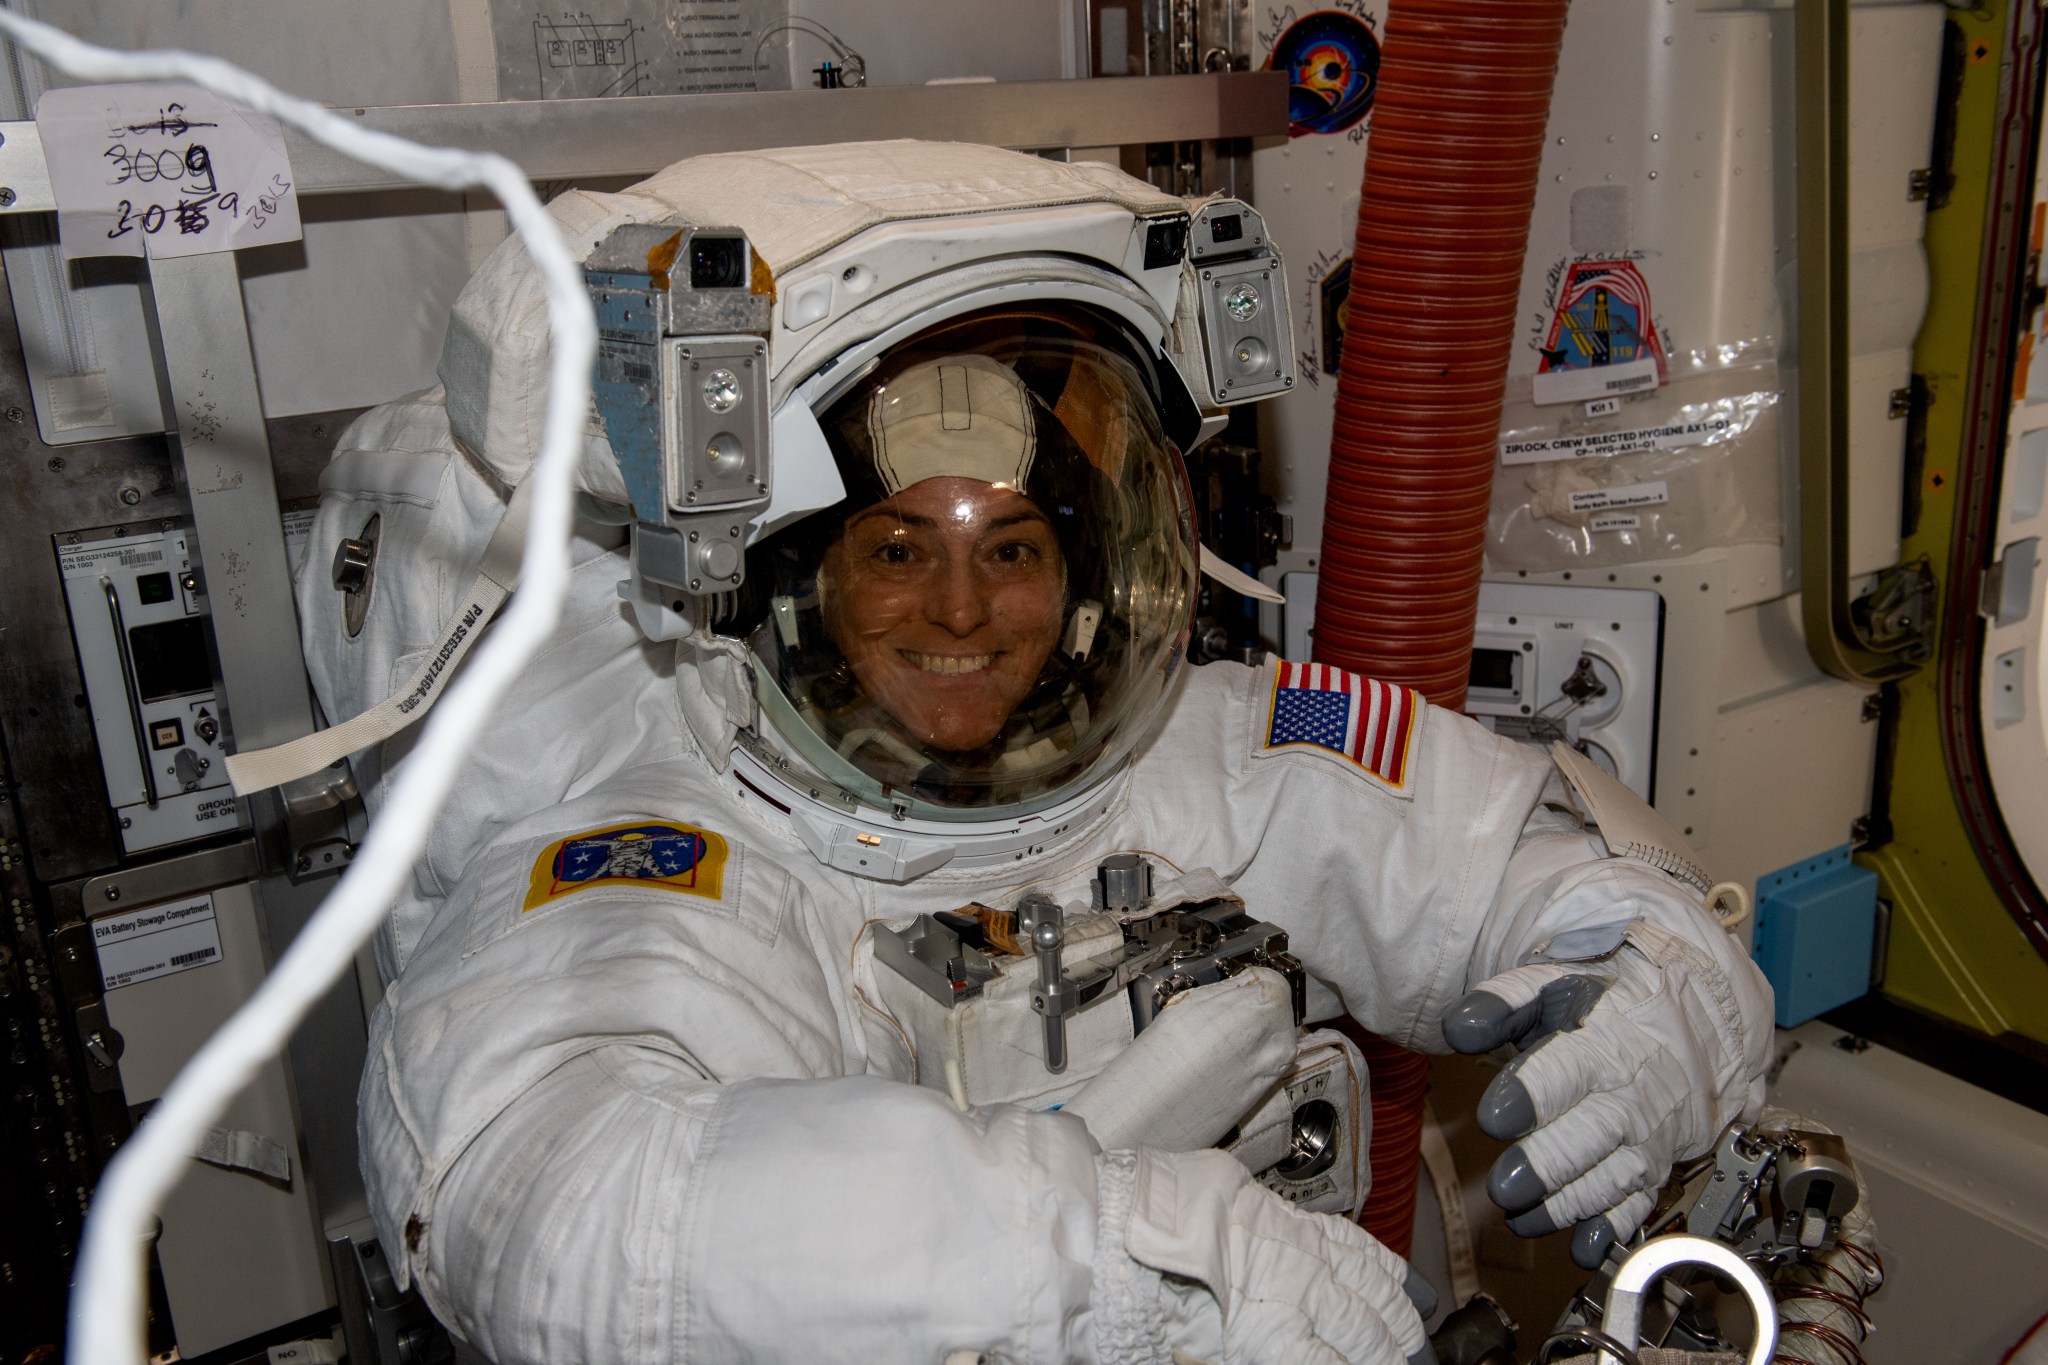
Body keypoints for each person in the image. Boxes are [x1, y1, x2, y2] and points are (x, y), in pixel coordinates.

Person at [310, 142, 1774, 1365]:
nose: (961, 610)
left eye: (1010, 547)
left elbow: (1508, 854)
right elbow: (556, 1198)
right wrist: (1125, 1263)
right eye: (895, 550)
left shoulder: (1191, 748)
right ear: (785, 574)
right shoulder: (675, 842)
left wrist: (1663, 992)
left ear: (1083, 565)